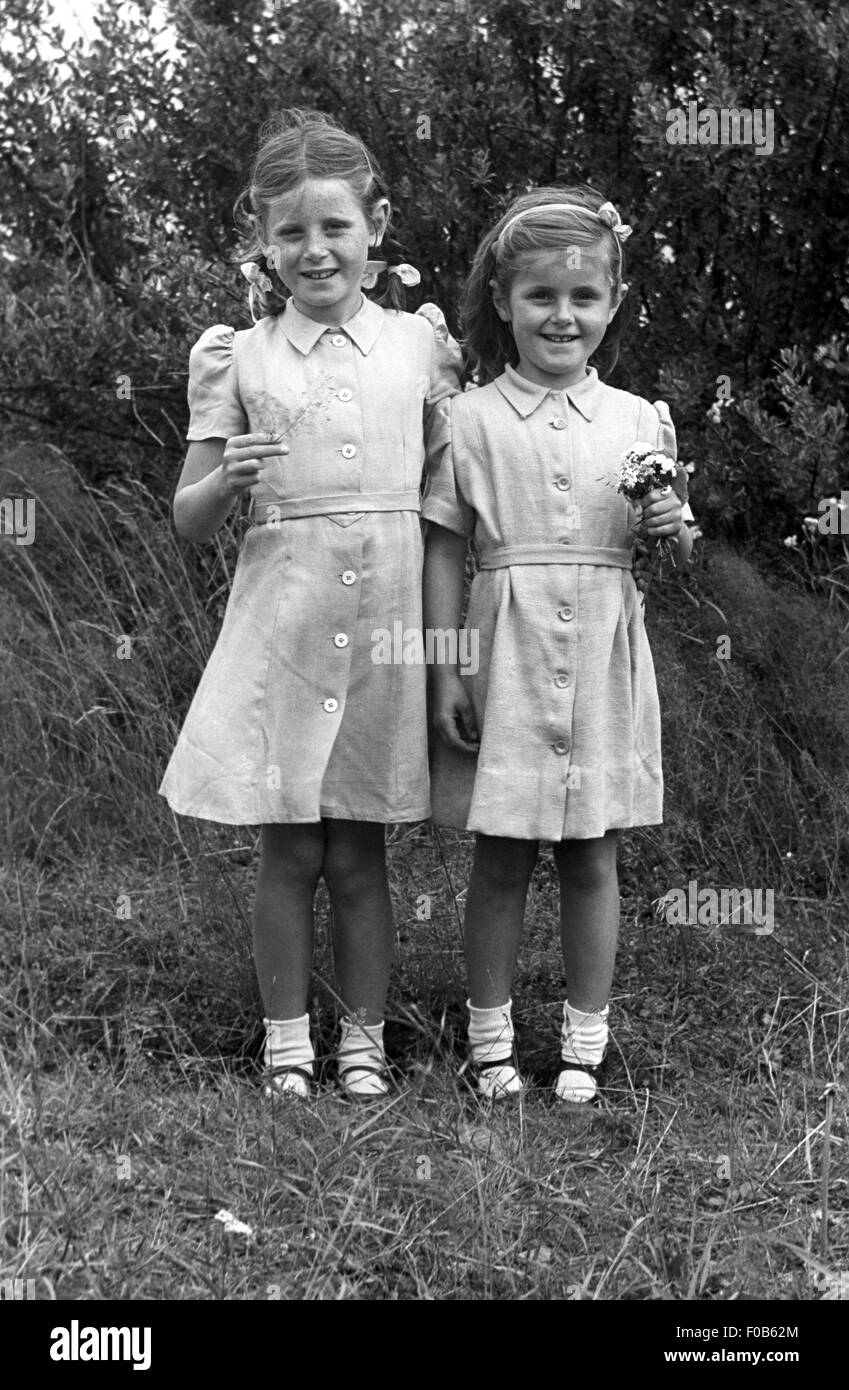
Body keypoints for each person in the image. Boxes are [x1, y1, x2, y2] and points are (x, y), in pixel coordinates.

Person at [160, 109, 460, 1100]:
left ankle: (364, 1040)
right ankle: (287, 1039)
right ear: (261, 238)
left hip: (387, 618)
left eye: (334, 226)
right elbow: (190, 515)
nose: (314, 249)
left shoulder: (419, 346)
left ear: (376, 226)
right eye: (290, 231)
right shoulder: (240, 356)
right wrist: (230, 481)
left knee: (361, 843)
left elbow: (453, 487)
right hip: (284, 614)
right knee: (290, 841)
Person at [422, 186, 694, 1103]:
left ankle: (585, 1042)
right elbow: (445, 549)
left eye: (583, 298)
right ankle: (490, 1038)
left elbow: (681, 544)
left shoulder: (635, 420)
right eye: (541, 296)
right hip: (505, 643)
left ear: (612, 304)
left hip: (604, 646)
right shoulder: (468, 420)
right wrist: (444, 667)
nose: (562, 316)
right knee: (500, 851)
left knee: (592, 853)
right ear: (504, 301)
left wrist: (670, 520)